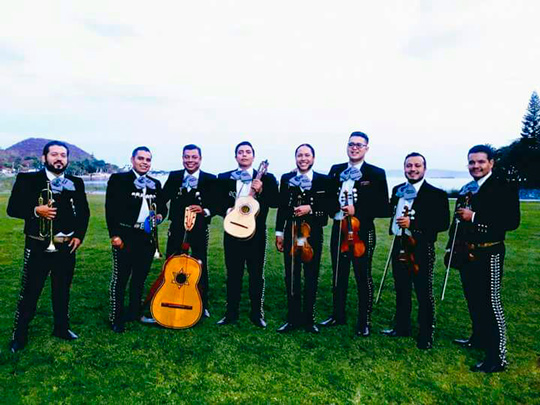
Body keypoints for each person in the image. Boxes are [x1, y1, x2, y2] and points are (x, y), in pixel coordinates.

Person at [7, 140, 90, 352]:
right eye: (54, 154)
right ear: (44, 158)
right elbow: (12, 208)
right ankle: (20, 335)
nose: (59, 158)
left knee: (62, 291)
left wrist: (79, 236)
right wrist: (36, 210)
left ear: (67, 159)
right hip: (38, 246)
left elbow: (84, 213)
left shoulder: (76, 182)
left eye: (63, 155)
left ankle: (61, 328)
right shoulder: (28, 179)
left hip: (66, 247)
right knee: (30, 292)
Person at [450, 145, 520, 372]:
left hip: (490, 251)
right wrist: (452, 246)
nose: (476, 166)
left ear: (491, 163)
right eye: (472, 162)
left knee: (491, 303)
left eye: (481, 162)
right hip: (466, 250)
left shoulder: (503, 186)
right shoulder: (467, 188)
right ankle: (478, 338)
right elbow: (458, 220)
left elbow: (511, 221)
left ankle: (497, 357)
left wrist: (475, 217)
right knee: (473, 299)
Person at [320, 131, 390, 336]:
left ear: (366, 148)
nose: (355, 148)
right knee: (338, 274)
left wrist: (357, 210)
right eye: (351, 144)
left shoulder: (376, 173)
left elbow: (383, 207)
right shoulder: (336, 170)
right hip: (339, 228)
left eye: (360, 145)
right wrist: (334, 208)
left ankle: (364, 321)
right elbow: (327, 198)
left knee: (362, 275)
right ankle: (337, 315)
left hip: (362, 230)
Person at [381, 153, 449, 349]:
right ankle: (402, 327)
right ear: (404, 169)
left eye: (417, 166)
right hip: (399, 244)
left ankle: (426, 333)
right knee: (401, 288)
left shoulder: (436, 194)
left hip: (421, 246)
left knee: (423, 290)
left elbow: (443, 223)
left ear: (424, 169)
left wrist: (414, 223)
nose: (413, 169)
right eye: (409, 166)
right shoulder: (397, 190)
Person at [216, 141, 279, 328]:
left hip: (256, 235)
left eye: (248, 152)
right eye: (240, 152)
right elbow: (216, 201)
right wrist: (226, 210)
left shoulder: (267, 178)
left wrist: (261, 190)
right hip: (232, 232)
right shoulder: (224, 177)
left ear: (253, 156)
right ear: (236, 156)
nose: (244, 155)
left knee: (256, 275)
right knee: (233, 274)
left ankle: (256, 314)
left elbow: (275, 202)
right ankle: (231, 313)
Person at [105, 146, 166, 333]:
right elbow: (110, 209)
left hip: (146, 237)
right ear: (132, 160)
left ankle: (135, 312)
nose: (144, 162)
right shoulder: (119, 179)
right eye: (141, 158)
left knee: (140, 278)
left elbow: (163, 208)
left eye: (148, 159)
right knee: (121, 278)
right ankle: (116, 317)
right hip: (125, 236)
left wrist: (159, 217)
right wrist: (115, 235)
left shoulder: (155, 183)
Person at [275, 144, 332, 333]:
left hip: (312, 234)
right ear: (295, 158)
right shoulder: (286, 179)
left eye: (307, 155)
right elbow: (282, 208)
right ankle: (292, 319)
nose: (303, 158)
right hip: (291, 232)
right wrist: (279, 233)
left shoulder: (323, 180)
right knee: (291, 275)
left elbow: (330, 207)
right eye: (300, 155)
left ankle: (309, 319)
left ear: (313, 158)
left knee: (311, 275)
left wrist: (311, 208)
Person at [156, 144, 216, 318]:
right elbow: (162, 199)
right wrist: (159, 213)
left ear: (200, 159)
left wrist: (205, 211)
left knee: (200, 264)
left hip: (199, 229)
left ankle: (202, 303)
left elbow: (217, 203)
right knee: (172, 263)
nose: (190, 160)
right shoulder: (175, 176)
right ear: (182, 158)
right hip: (176, 228)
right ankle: (171, 297)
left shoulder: (210, 178)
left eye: (194, 157)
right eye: (187, 157)